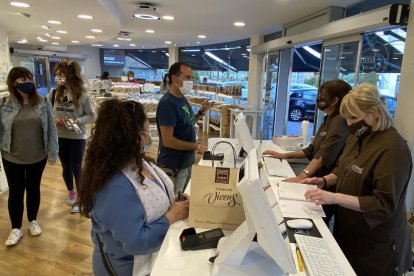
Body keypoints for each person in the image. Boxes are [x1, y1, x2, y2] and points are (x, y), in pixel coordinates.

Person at [302, 83, 412, 276]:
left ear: (374, 113)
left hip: (378, 243)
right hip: (350, 233)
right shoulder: (357, 137)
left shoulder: (393, 150)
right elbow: (343, 168)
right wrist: (324, 181)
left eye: (354, 117)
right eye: (347, 119)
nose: (350, 124)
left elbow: (383, 204)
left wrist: (333, 198)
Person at [78, 99, 189, 275]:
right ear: (136, 136)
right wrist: (172, 216)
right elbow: (136, 241)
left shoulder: (138, 161)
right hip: (129, 269)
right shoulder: (113, 185)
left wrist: (176, 203)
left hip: (154, 258)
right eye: (146, 131)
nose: (149, 137)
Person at [263, 79, 352, 223]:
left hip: (325, 185)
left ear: (335, 100)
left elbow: (324, 154)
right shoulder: (328, 119)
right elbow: (311, 150)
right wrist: (283, 155)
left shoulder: (340, 122)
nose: (319, 99)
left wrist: (302, 176)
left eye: (323, 96)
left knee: (313, 221)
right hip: (314, 180)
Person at [1, 67, 58, 246]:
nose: (27, 83)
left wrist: (53, 152)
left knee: (33, 188)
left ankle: (32, 220)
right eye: (23, 80)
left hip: (37, 155)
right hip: (12, 156)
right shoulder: (4, 104)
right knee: (16, 191)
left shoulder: (42, 102)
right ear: (14, 83)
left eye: (29, 79)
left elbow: (52, 128)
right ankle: (15, 228)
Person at [156, 61, 209, 194]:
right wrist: (196, 146)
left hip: (185, 163)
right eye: (188, 77)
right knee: (175, 204)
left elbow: (188, 122)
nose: (191, 81)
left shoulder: (181, 98)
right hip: (174, 167)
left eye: (191, 77)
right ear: (175, 78)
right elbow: (168, 140)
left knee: (183, 197)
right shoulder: (167, 103)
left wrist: (201, 112)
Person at [48, 61, 94, 213]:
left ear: (70, 75)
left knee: (76, 166)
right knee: (66, 166)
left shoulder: (83, 95)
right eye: (57, 75)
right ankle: (71, 192)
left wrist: (77, 120)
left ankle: (81, 199)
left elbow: (91, 115)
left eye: (60, 75)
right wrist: (54, 119)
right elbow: (47, 111)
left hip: (77, 136)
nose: (58, 78)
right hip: (60, 136)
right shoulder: (54, 94)